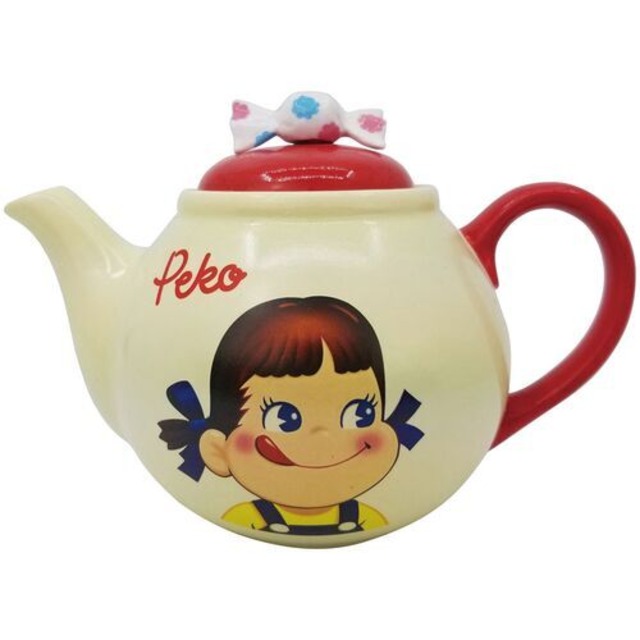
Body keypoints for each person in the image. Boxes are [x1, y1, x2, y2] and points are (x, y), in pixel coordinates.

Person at [159, 296, 424, 536]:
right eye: (284, 419)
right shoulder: (245, 519)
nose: (323, 438)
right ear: (217, 450)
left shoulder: (368, 517)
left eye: (360, 414)